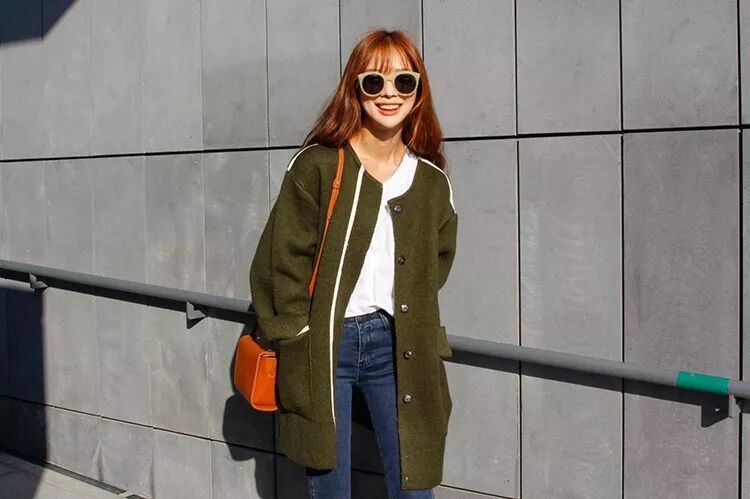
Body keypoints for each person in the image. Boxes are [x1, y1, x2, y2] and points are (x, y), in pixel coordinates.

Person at [249, 28, 458, 499]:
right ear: (355, 89)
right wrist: (297, 332)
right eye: (374, 81)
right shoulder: (319, 166)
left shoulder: (430, 181)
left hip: (396, 344)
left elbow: (437, 261)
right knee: (330, 483)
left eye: (404, 81)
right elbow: (280, 260)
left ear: (418, 92)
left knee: (414, 482)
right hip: (325, 343)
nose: (390, 94)